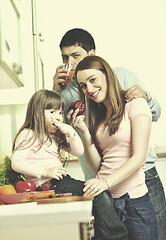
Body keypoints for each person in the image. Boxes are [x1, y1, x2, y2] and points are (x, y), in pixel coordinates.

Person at [53, 28, 166, 240]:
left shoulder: (123, 78)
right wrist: (54, 91)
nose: (70, 63)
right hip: (102, 186)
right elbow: (52, 130)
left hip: (140, 177)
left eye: (75, 55)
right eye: (64, 58)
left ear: (94, 55)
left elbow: (154, 114)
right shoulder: (66, 93)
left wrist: (146, 96)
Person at [11, 89, 128, 240]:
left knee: (100, 192)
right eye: (52, 112)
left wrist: (72, 133)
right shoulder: (28, 134)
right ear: (38, 112)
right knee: (98, 193)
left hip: (62, 182)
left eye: (60, 113)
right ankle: (118, 237)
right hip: (47, 186)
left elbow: (78, 151)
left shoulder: (54, 136)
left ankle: (107, 236)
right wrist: (45, 171)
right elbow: (17, 163)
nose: (58, 117)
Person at [68, 55, 158, 240]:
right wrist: (84, 131)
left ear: (107, 75)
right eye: (83, 85)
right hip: (106, 204)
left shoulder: (135, 105)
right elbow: (98, 166)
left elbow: (139, 157)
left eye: (93, 80)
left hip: (134, 204)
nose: (89, 90)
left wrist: (105, 182)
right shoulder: (99, 116)